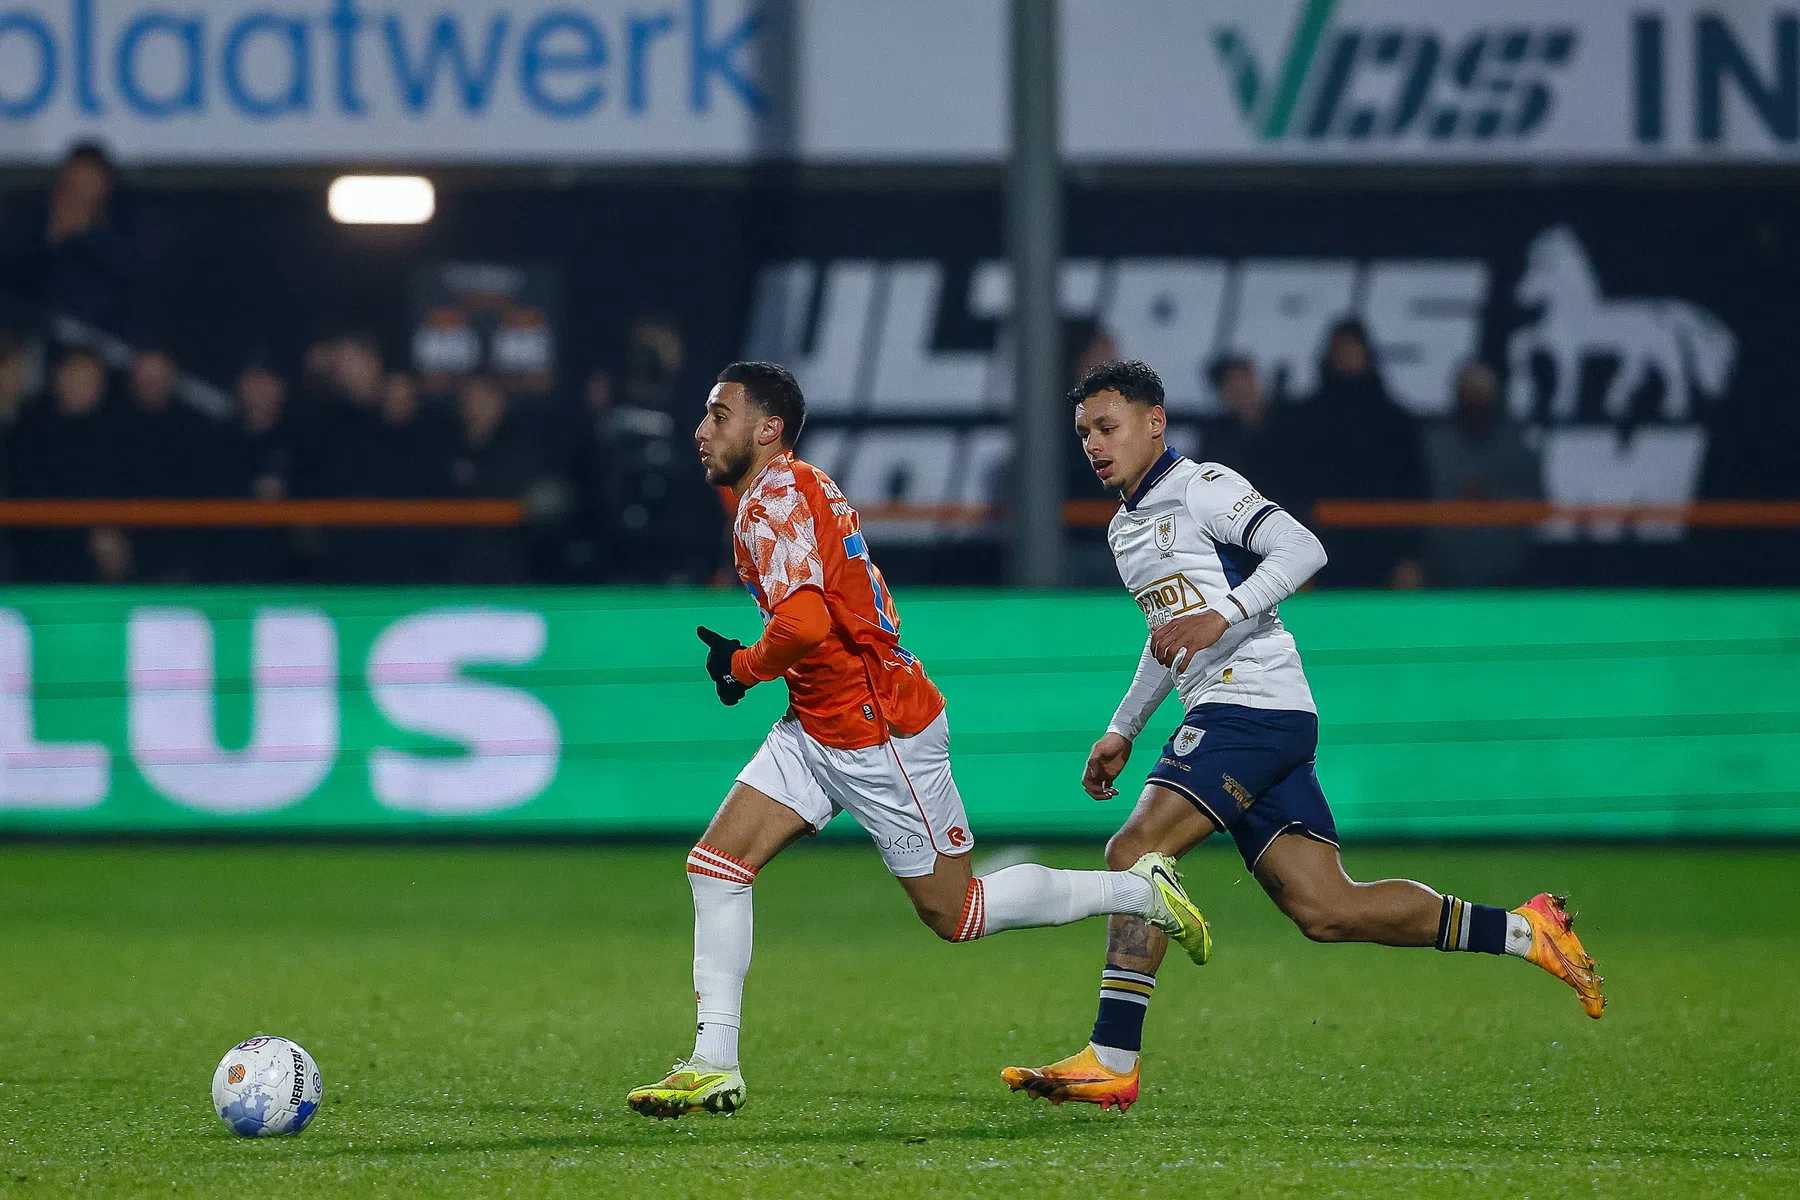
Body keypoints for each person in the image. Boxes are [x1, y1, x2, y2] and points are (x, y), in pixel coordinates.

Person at [999, 361, 1605, 1111]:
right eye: (1085, 431)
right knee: (1328, 909)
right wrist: (1123, 726)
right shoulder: (1128, 526)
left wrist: (1219, 617)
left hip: (1249, 707)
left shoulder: (1203, 486)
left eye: (1108, 425)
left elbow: (1303, 549)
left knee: (1134, 853)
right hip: (1247, 712)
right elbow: (1168, 634)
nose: (1094, 443)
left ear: (1155, 421)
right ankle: (1524, 930)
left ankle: (1112, 1057)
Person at [625, 362, 1212, 1120]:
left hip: (878, 731)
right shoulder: (796, 485)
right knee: (716, 865)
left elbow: (803, 624)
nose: (701, 430)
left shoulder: (770, 501)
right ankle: (714, 1062)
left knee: (956, 913)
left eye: (719, 414)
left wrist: (741, 666)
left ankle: (1140, 891)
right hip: (819, 722)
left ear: (768, 430)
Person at [1290, 320, 1427, 588]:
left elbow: (1415, 489)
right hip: (1322, 554)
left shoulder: (1394, 420)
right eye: (1340, 349)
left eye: (1352, 348)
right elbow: (1292, 488)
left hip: (1385, 554)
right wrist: (1295, 559)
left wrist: (1410, 557)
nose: (1346, 356)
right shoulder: (1305, 419)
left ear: (1367, 353)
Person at [6, 345, 128, 581]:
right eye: (77, 377)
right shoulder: (28, 427)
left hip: (101, 561)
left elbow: (122, 488)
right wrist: (89, 532)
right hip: (38, 555)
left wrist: (112, 533)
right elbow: (29, 493)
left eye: (93, 380)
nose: (85, 387)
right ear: (58, 377)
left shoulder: (112, 432)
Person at [1423, 363, 1542, 587]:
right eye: (1469, 392)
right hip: (1440, 572)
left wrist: (1493, 498)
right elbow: (1415, 501)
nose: (1475, 400)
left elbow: (1538, 506)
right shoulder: (1433, 445)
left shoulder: (1516, 445)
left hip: (1506, 575)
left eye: (1482, 393)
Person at [1201, 354, 1299, 509]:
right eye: (1232, 385)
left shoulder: (1289, 425)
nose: (1241, 391)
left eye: (1244, 381)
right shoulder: (1216, 436)